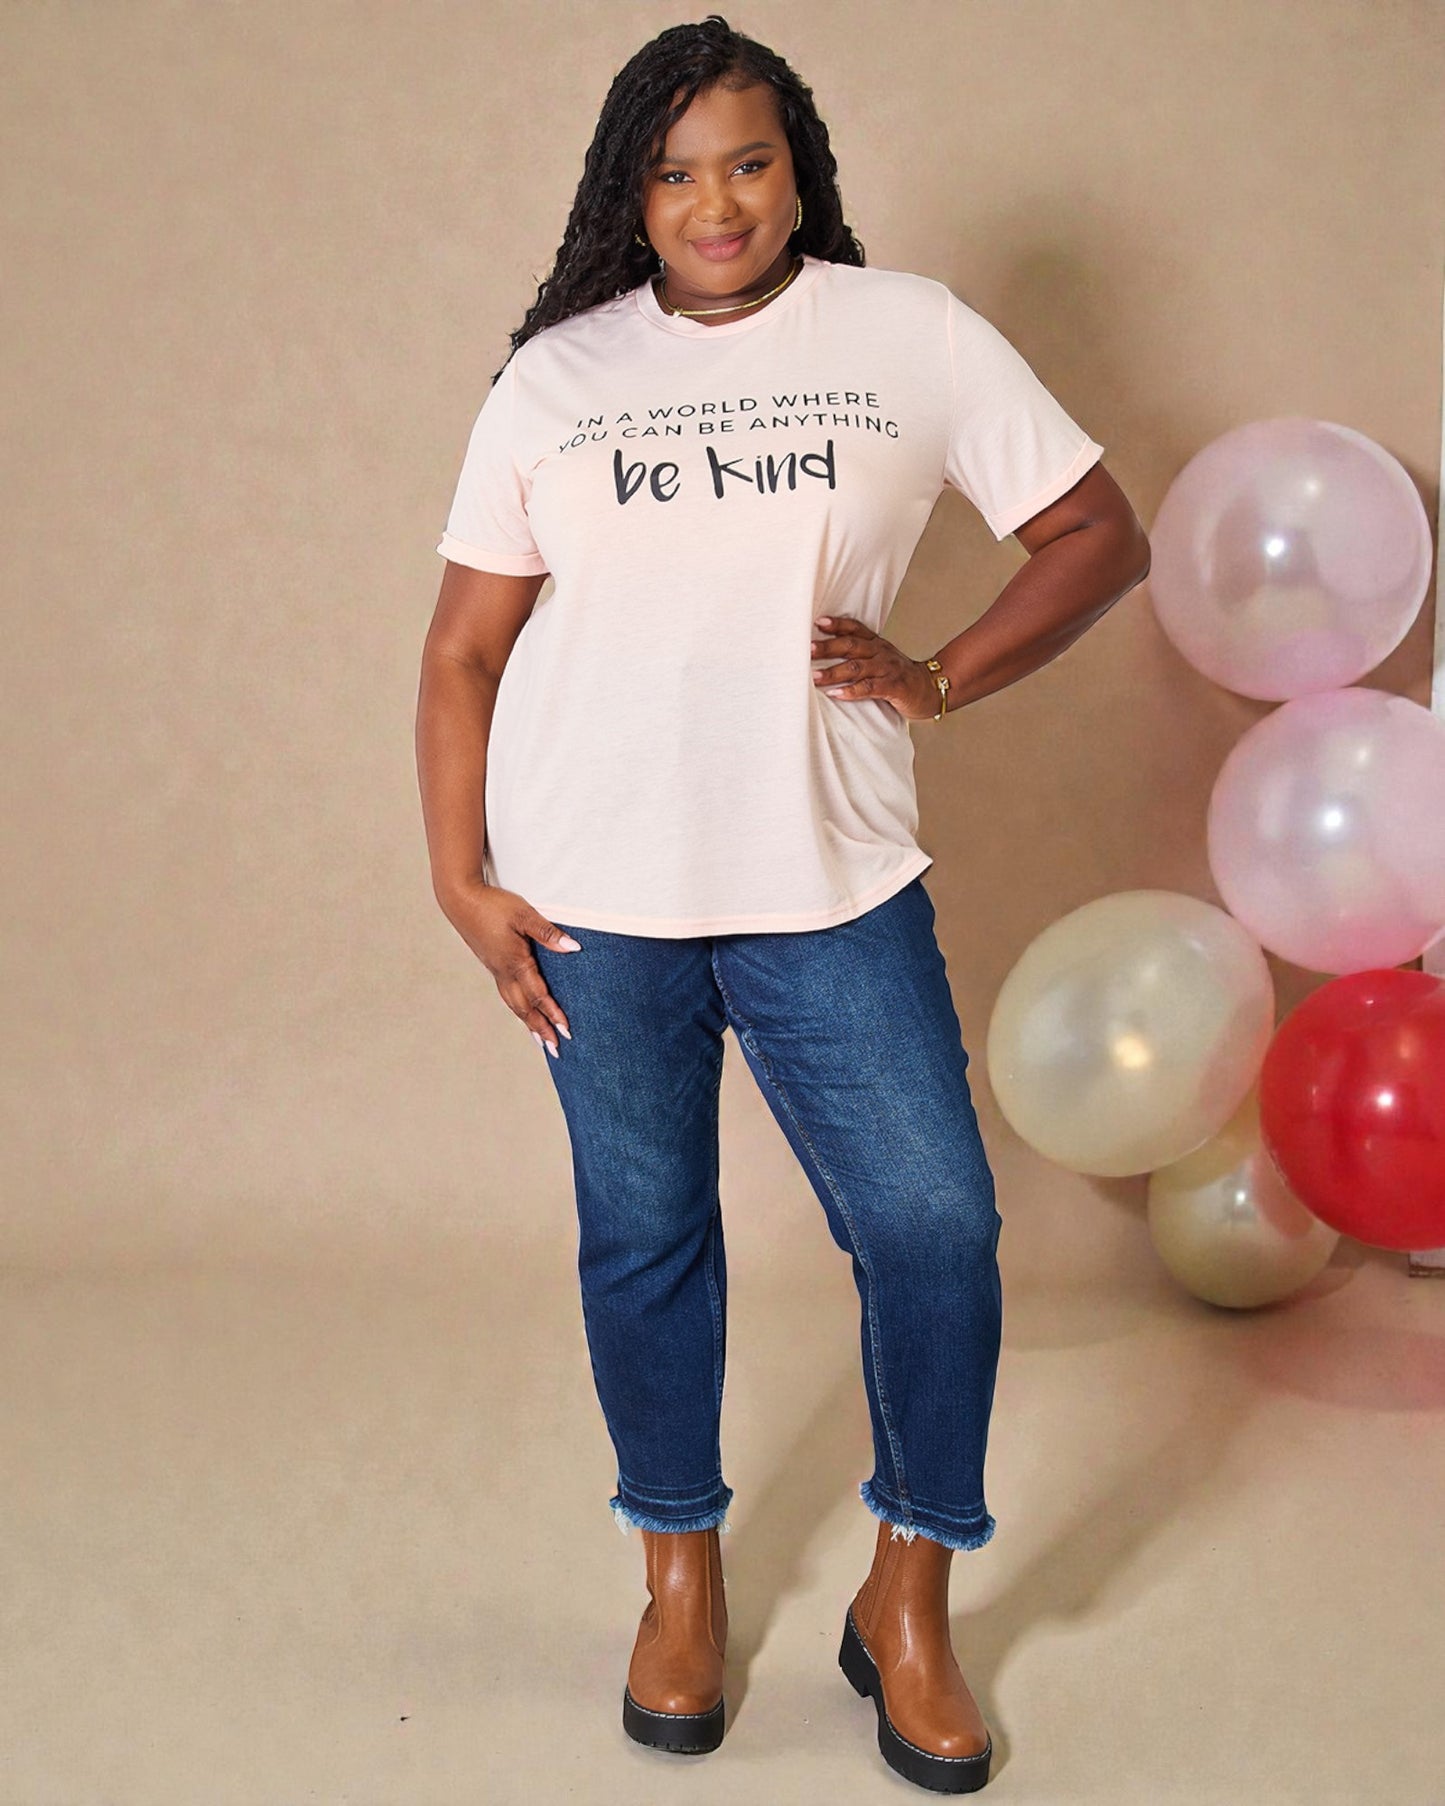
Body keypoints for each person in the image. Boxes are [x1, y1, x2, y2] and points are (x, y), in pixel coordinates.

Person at [416, 13, 1149, 1794]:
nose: (715, 203)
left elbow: (1096, 533)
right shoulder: (557, 376)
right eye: (674, 174)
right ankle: (676, 1575)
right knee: (643, 1235)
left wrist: (938, 674)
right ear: (631, 196)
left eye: (747, 161)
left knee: (932, 1223)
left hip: (828, 875)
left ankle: (909, 1593)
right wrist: (458, 877)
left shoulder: (907, 336)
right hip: (594, 894)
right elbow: (463, 649)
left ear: (797, 168)